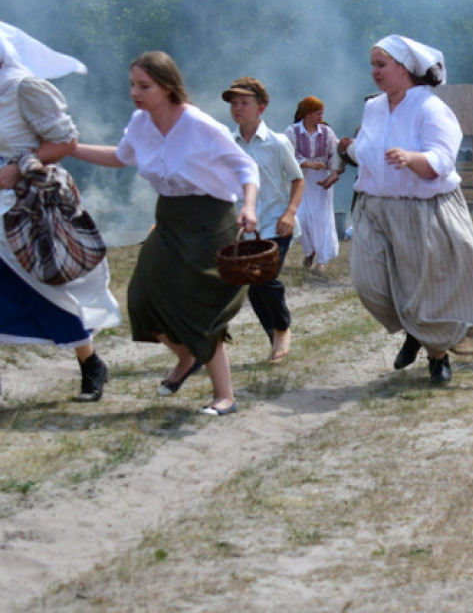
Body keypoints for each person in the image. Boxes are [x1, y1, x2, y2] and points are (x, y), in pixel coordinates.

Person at [71, 51, 259, 416]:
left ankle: (225, 396)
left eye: (144, 85)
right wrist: (72, 149)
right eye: (132, 85)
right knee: (144, 295)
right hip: (171, 216)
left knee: (201, 307)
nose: (135, 92)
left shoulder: (199, 125)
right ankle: (187, 357)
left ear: (167, 86)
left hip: (210, 218)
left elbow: (245, 166)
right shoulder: (140, 122)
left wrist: (249, 206)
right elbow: (121, 156)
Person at [348, 34, 473, 383]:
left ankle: (437, 358)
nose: (374, 71)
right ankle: (415, 330)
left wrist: (412, 158)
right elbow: (367, 148)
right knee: (368, 283)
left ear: (405, 69)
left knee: (423, 289)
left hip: (419, 209)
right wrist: (350, 150)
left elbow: (443, 159)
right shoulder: (373, 107)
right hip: (372, 207)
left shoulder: (430, 107)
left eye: (381, 64)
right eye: (373, 64)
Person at [0, 23, 120, 401]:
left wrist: (18, 166)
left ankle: (90, 362)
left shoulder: (23, 86)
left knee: (47, 287)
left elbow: (65, 141)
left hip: (28, 200)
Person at [224, 77, 304, 363]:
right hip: (246, 228)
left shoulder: (277, 142)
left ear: (261, 107)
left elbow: (297, 179)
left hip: (276, 223)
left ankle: (282, 327)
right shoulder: (227, 143)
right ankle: (275, 337)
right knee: (254, 287)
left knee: (264, 279)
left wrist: (290, 213)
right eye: (234, 103)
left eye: (244, 103)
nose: (237, 108)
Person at [285, 96, 341, 275]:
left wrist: (333, 173)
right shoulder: (292, 132)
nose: (320, 116)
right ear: (307, 113)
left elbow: (335, 153)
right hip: (300, 179)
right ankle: (309, 251)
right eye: (317, 113)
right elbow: (287, 155)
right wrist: (308, 164)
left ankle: (321, 262)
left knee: (322, 220)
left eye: (321, 113)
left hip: (320, 182)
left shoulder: (326, 132)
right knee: (301, 219)